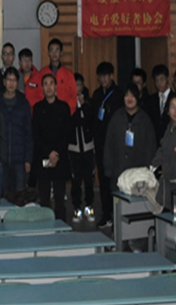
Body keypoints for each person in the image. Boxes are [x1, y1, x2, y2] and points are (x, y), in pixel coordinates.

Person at [104, 84, 157, 200]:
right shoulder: (116, 117)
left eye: (132, 96)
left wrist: (148, 169)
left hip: (138, 173)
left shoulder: (145, 120)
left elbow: (150, 146)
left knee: (136, 205)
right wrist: (108, 167)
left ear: (137, 98)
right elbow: (108, 144)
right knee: (118, 204)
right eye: (126, 95)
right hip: (118, 170)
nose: (129, 98)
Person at [32, 74, 72, 221]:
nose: (48, 87)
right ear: (42, 88)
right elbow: (36, 134)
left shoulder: (64, 107)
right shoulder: (38, 108)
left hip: (59, 158)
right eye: (45, 84)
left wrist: (56, 154)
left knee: (60, 199)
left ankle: (61, 228)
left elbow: (67, 134)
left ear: (56, 87)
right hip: (43, 158)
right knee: (44, 199)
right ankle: (45, 228)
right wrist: (49, 152)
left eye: (51, 83)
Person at [91, 61, 124, 228]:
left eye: (106, 76)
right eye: (101, 76)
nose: (103, 79)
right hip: (100, 144)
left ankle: (118, 214)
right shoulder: (97, 94)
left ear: (112, 76)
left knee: (115, 181)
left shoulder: (119, 95)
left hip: (115, 145)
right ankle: (106, 214)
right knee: (103, 180)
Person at [0, 67, 32, 196]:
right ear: (4, 82)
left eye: (14, 80)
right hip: (1, 158)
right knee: (3, 195)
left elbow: (28, 133)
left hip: (19, 159)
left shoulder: (23, 103)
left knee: (20, 195)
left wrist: (28, 159)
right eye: (8, 80)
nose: (11, 83)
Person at [69, 73, 95, 222]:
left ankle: (89, 206)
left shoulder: (89, 102)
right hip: (73, 148)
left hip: (88, 147)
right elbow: (71, 123)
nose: (77, 87)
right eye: (75, 85)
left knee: (89, 179)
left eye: (79, 84)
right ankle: (77, 207)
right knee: (76, 180)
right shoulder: (68, 102)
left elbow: (90, 121)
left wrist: (84, 105)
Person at [42, 38, 77, 114]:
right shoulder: (42, 73)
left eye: (57, 50)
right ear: (48, 53)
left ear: (61, 53)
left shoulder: (68, 74)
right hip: (46, 113)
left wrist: (66, 111)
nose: (54, 53)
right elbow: (39, 94)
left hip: (64, 113)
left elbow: (73, 96)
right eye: (52, 50)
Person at [147, 64, 172, 144]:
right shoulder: (151, 99)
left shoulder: (175, 98)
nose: (159, 83)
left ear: (167, 79)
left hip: (171, 140)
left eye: (162, 79)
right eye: (156, 80)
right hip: (155, 141)